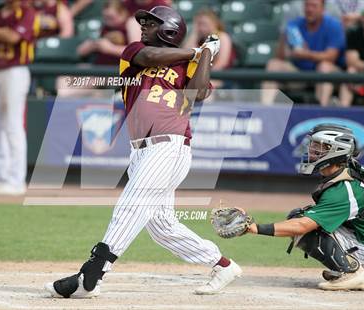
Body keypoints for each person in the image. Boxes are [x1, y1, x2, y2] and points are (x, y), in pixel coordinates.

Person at [45, 6, 241, 298]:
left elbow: (199, 93)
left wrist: (207, 56)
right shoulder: (135, 51)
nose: (143, 26)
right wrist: (196, 51)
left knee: (131, 204)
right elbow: (149, 57)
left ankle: (93, 273)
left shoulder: (189, 64)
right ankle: (223, 265)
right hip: (140, 151)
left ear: (170, 29)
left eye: (151, 23)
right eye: (144, 22)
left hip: (170, 145)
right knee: (162, 227)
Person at [243, 124, 364, 290]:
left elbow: (302, 226)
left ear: (336, 151)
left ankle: (353, 273)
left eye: (318, 147)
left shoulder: (345, 189)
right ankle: (356, 267)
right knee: (305, 217)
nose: (310, 150)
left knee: (303, 224)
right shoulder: (349, 169)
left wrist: (254, 228)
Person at [0, 0, 39, 195]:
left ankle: (16, 180)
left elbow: (14, 37)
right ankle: (1, 177)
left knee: (12, 124)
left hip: (15, 71)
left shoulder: (27, 12)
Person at [262, 0, 346, 106]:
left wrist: (306, 54)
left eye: (314, 6)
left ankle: (322, 111)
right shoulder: (294, 25)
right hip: (300, 73)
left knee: (324, 66)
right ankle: (265, 109)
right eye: (307, 5)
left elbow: (331, 57)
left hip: (326, 75)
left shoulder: (333, 25)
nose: (309, 9)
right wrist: (284, 36)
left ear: (323, 9)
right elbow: (280, 57)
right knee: (274, 64)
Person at [184, 8, 235, 88]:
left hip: (220, 76)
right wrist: (195, 33)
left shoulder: (222, 37)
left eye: (204, 24)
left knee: (206, 86)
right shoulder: (199, 38)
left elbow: (222, 63)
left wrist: (203, 76)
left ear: (214, 23)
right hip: (198, 75)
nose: (201, 27)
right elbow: (186, 54)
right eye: (199, 24)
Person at [339, 9, 364, 106]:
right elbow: (351, 61)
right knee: (351, 72)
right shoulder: (354, 32)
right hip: (360, 76)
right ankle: (343, 112)